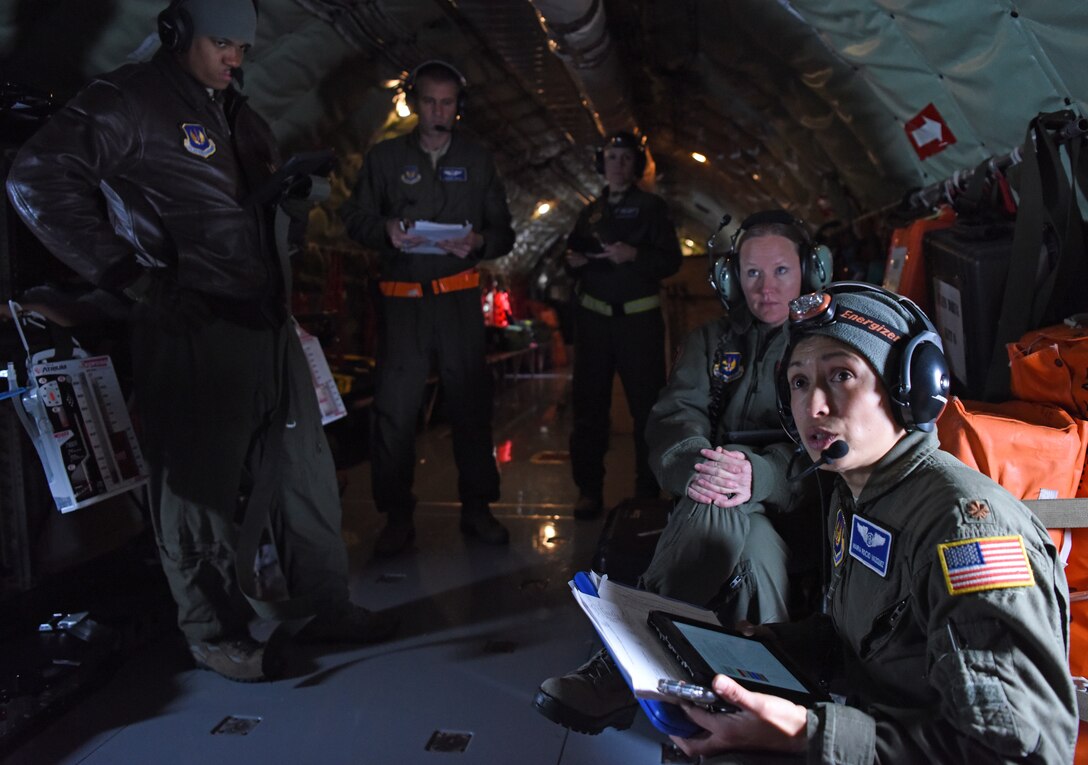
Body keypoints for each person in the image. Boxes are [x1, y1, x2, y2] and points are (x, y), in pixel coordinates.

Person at [5, 0, 397, 683]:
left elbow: (246, 213)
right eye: (222, 44)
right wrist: (129, 276)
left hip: (266, 322)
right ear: (176, 33)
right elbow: (35, 178)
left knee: (305, 475)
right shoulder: (129, 99)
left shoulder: (239, 113)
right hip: (192, 319)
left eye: (244, 48)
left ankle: (324, 603)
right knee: (196, 490)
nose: (237, 59)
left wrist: (292, 203)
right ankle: (214, 632)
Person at [669, 283, 1076, 763]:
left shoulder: (967, 530)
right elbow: (872, 647)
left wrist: (807, 734)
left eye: (841, 374)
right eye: (799, 382)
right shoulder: (857, 496)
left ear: (913, 390)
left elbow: (1018, 754)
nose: (813, 405)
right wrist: (771, 646)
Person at [534, 211, 831, 734]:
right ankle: (761, 705)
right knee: (738, 537)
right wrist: (701, 464)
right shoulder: (710, 341)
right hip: (721, 497)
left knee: (721, 515)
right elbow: (675, 416)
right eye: (752, 273)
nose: (765, 288)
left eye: (781, 271)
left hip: (799, 510)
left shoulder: (830, 345)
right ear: (731, 277)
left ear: (810, 271)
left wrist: (758, 476)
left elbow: (837, 444)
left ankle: (624, 668)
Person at [339, 60, 515, 556]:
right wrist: (386, 231)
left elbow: (505, 231)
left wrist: (479, 239)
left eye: (449, 102)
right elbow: (353, 217)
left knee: (469, 406)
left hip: (457, 302)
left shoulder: (478, 162)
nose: (440, 112)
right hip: (402, 306)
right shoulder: (384, 159)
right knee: (394, 412)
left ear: (460, 106)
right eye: (431, 102)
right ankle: (396, 516)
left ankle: (478, 508)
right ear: (416, 103)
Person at [564, 131, 683, 519]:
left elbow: (671, 261)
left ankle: (647, 493)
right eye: (611, 157)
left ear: (635, 165)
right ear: (602, 163)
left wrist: (634, 253)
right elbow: (571, 254)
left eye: (625, 158)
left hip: (638, 322)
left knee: (646, 411)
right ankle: (588, 490)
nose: (617, 164)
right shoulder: (591, 212)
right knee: (588, 410)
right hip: (595, 322)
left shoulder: (652, 208)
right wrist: (573, 262)